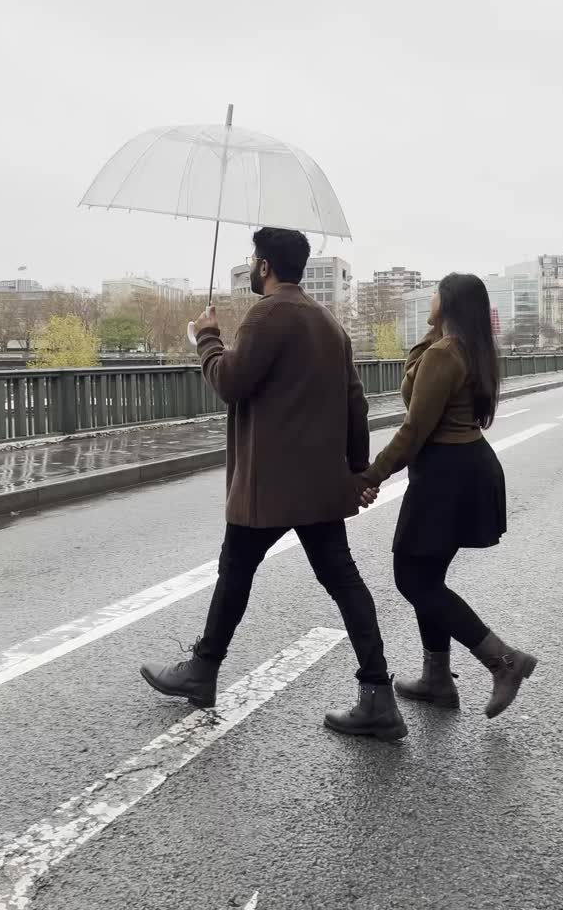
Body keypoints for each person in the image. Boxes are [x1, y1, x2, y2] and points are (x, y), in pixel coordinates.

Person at [141, 227, 407, 742]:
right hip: (320, 485)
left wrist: (207, 337)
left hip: (269, 484)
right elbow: (357, 404)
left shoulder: (269, 314)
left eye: (253, 261)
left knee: (235, 570)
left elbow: (230, 382)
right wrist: (355, 472)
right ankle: (377, 694)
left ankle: (203, 670)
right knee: (343, 581)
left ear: (265, 267)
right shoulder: (330, 322)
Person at [357, 273, 537, 719]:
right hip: (465, 470)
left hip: (445, 476)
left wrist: (372, 474)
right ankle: (436, 678)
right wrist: (433, 333)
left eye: (436, 292)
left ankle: (503, 661)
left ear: (449, 303)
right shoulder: (466, 350)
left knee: (412, 578)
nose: (429, 298)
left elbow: (414, 430)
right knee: (426, 577)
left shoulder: (444, 355)